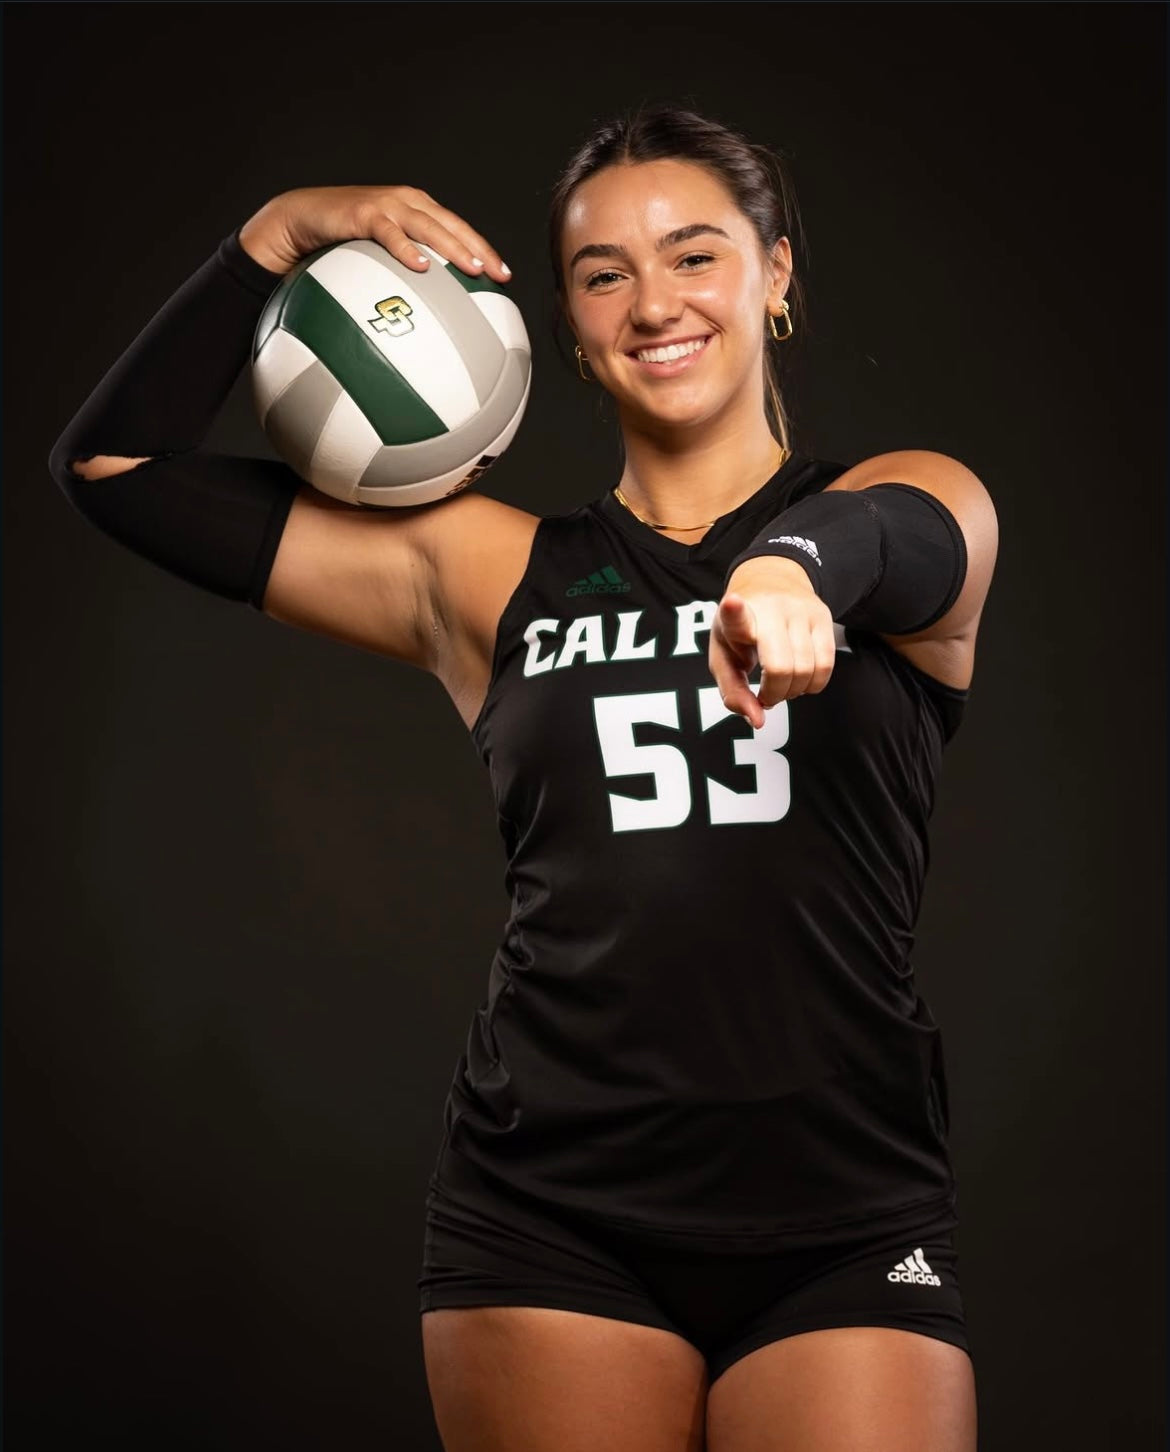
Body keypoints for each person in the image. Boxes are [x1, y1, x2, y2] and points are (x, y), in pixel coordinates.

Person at [49, 102, 997, 1452]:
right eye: (604, 274)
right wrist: (271, 240)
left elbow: (893, 535)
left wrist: (789, 572)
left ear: (775, 272)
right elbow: (111, 469)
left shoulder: (912, 505)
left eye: (693, 255)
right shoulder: (483, 569)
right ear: (560, 318)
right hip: (549, 1211)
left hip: (841, 1210)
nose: (650, 302)